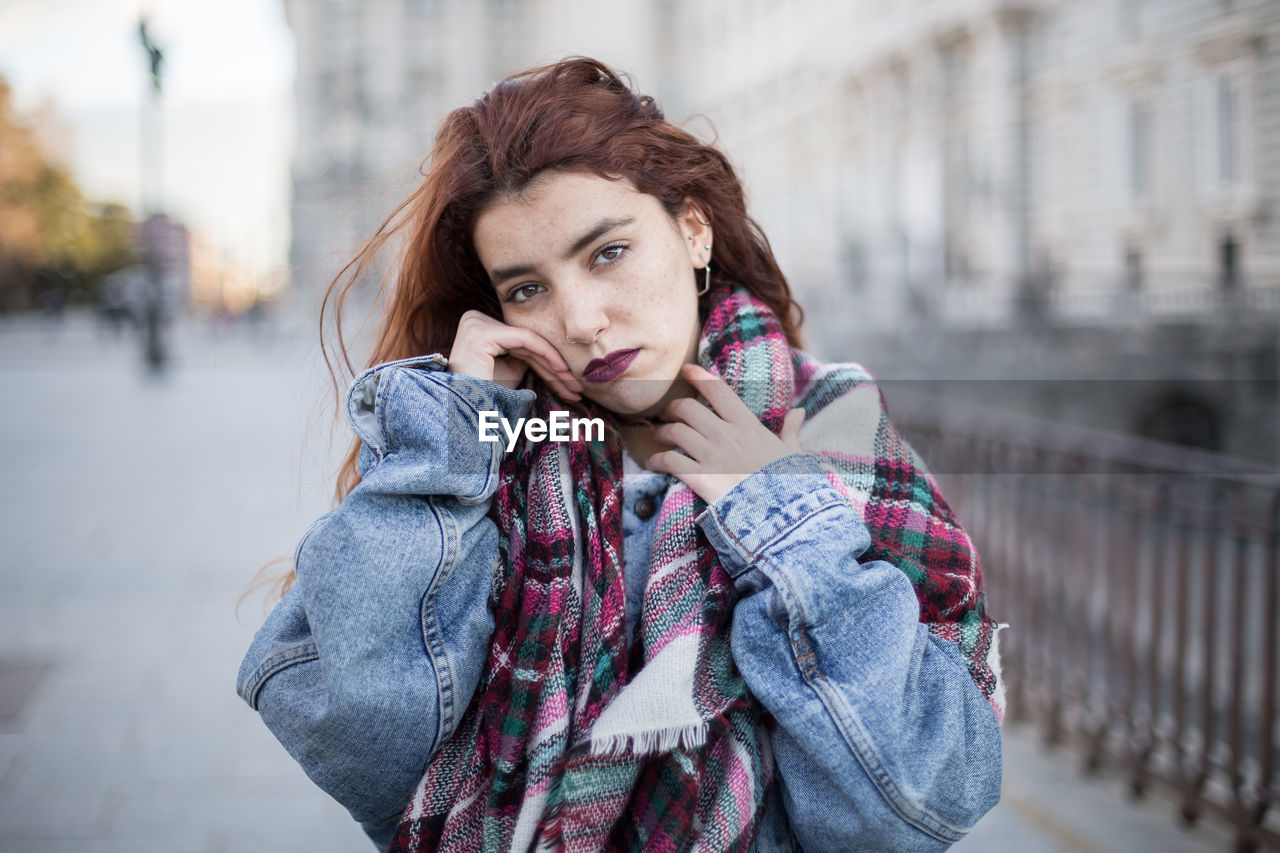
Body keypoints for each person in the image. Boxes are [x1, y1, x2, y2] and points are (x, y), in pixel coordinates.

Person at [237, 57, 1005, 852]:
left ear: (693, 231)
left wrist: (778, 513)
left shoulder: (831, 428)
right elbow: (368, 740)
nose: (580, 319)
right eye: (527, 288)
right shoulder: (483, 459)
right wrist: (448, 442)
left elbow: (928, 792)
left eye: (607, 253)